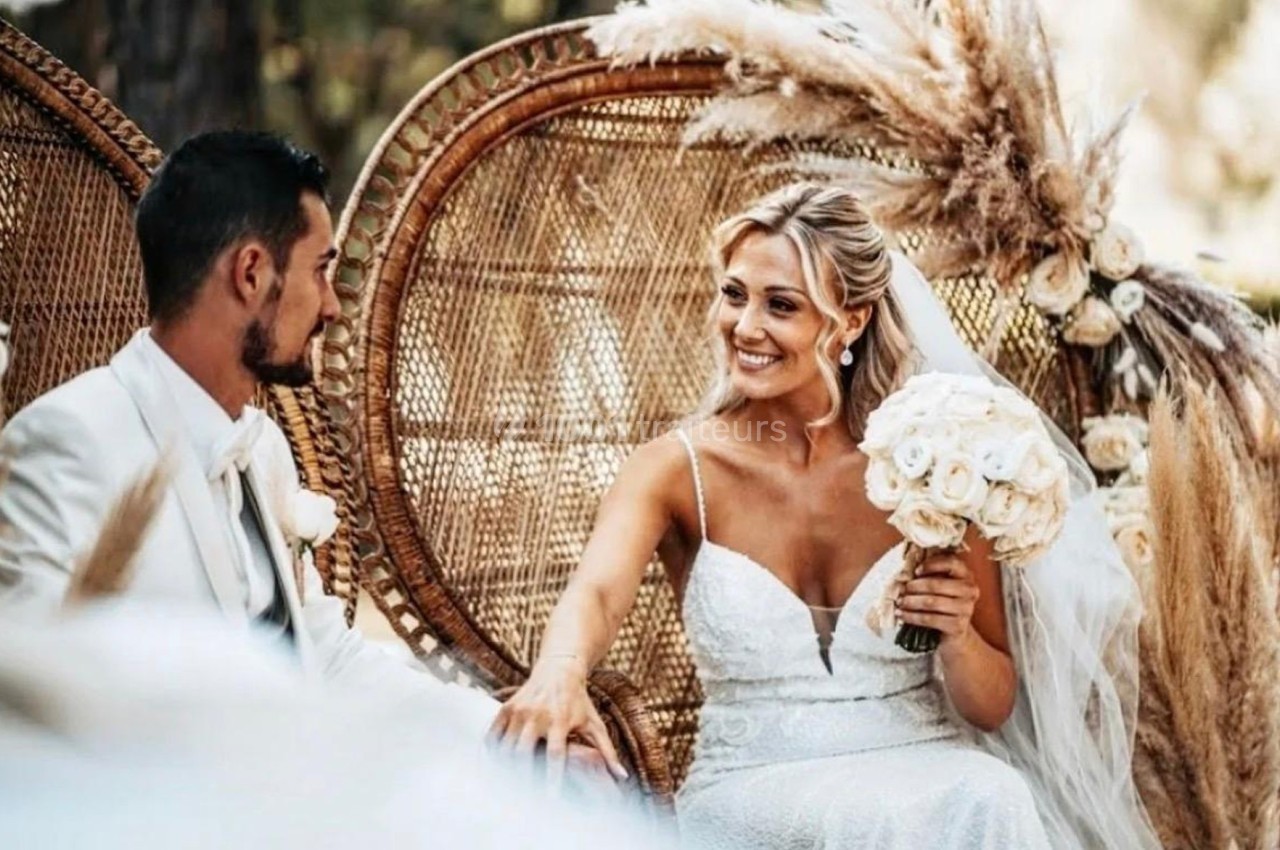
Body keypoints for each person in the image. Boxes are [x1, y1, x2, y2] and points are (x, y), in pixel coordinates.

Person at [490, 184, 1160, 848]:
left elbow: (991, 708)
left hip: (926, 771)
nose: (745, 327)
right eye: (734, 294)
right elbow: (598, 592)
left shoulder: (935, 462)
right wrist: (560, 671)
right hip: (749, 787)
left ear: (852, 321)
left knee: (991, 794)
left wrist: (955, 633)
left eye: (780, 305)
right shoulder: (674, 468)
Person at [0, 130, 621, 780]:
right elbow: (37, 705)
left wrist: (504, 735)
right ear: (251, 274)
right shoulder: (68, 439)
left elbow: (327, 656)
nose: (331, 306)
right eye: (320, 270)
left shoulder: (263, 447)